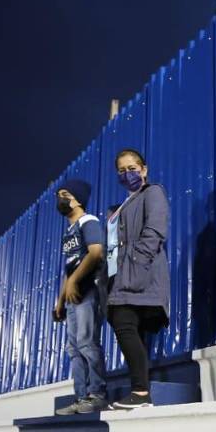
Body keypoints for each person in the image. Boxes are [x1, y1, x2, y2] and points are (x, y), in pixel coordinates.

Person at [105, 148, 170, 409]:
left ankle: (141, 394)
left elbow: (155, 230)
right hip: (120, 278)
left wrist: (136, 265)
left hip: (140, 274)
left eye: (132, 168)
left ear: (144, 169)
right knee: (130, 327)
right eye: (122, 170)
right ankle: (139, 392)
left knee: (124, 323)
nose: (127, 174)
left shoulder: (152, 193)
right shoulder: (119, 207)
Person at [52, 179, 109, 415]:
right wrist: (60, 300)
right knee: (74, 348)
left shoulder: (89, 221)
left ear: (78, 198)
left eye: (65, 194)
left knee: (87, 342)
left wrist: (75, 281)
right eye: (58, 195)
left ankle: (97, 395)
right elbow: (69, 267)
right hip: (74, 297)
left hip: (89, 291)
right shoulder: (68, 232)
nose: (60, 199)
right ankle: (81, 397)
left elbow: (96, 252)